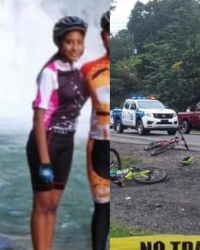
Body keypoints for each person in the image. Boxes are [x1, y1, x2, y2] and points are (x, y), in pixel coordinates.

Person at [26, 16, 88, 250]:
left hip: (67, 144)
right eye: (70, 42)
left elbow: (75, 107)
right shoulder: (49, 73)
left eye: (79, 42)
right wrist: (44, 162)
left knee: (53, 205)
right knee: (41, 206)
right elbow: (39, 119)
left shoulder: (75, 72)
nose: (75, 47)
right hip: (47, 143)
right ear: (60, 43)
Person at [81, 10, 110, 250]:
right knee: (102, 206)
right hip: (98, 147)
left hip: (116, 146)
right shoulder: (90, 69)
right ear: (102, 36)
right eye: (108, 33)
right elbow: (69, 106)